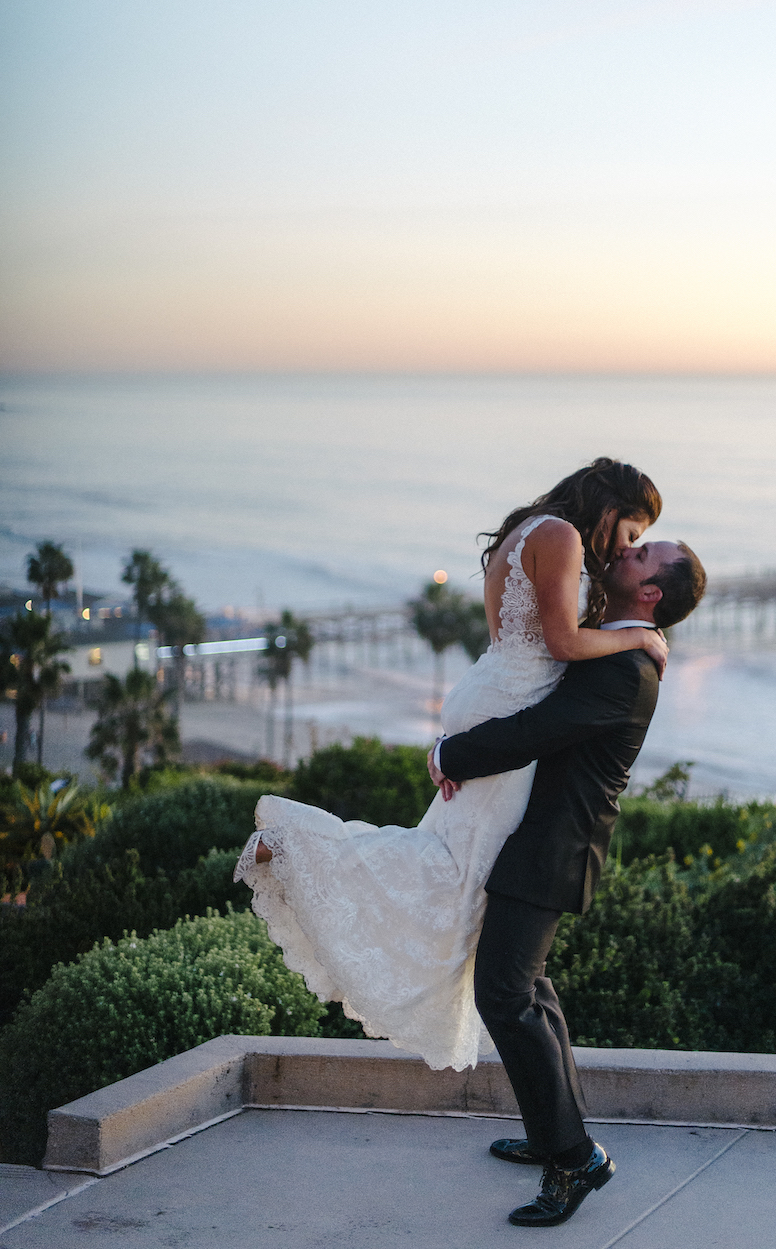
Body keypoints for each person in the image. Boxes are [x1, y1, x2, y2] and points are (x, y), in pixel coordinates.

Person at [233, 457, 669, 1073]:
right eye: (630, 533)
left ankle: (307, 849)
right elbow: (563, 644)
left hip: (488, 688)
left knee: (446, 855)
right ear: (609, 507)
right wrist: (638, 637)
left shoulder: (527, 527)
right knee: (456, 877)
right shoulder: (564, 537)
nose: (627, 549)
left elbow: (523, 634)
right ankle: (303, 848)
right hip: (511, 711)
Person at [429, 536, 706, 1228]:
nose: (626, 550)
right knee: (532, 991)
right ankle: (552, 1131)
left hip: (553, 846)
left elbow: (538, 728)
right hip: (540, 838)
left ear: (650, 594)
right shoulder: (615, 642)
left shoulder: (627, 668)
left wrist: (447, 752)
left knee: (504, 992)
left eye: (643, 555)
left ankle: (575, 1158)